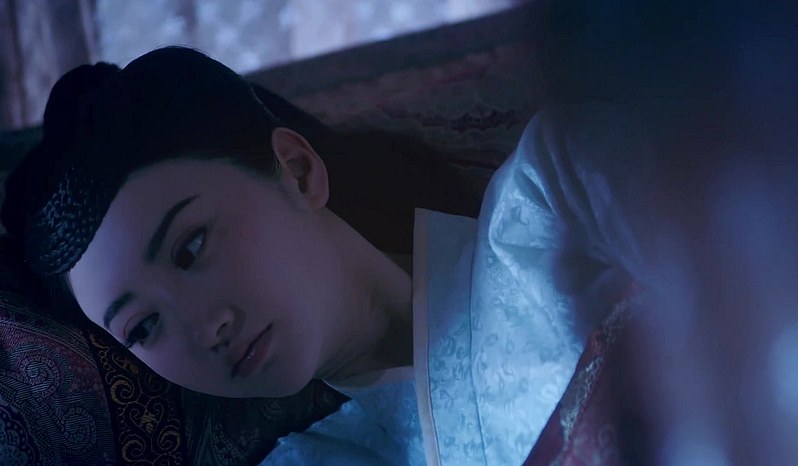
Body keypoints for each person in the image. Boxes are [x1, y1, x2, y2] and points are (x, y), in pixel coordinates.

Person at [2, 46, 650, 465]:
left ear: (296, 169)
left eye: (191, 247)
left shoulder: (553, 196)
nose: (203, 328)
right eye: (143, 326)